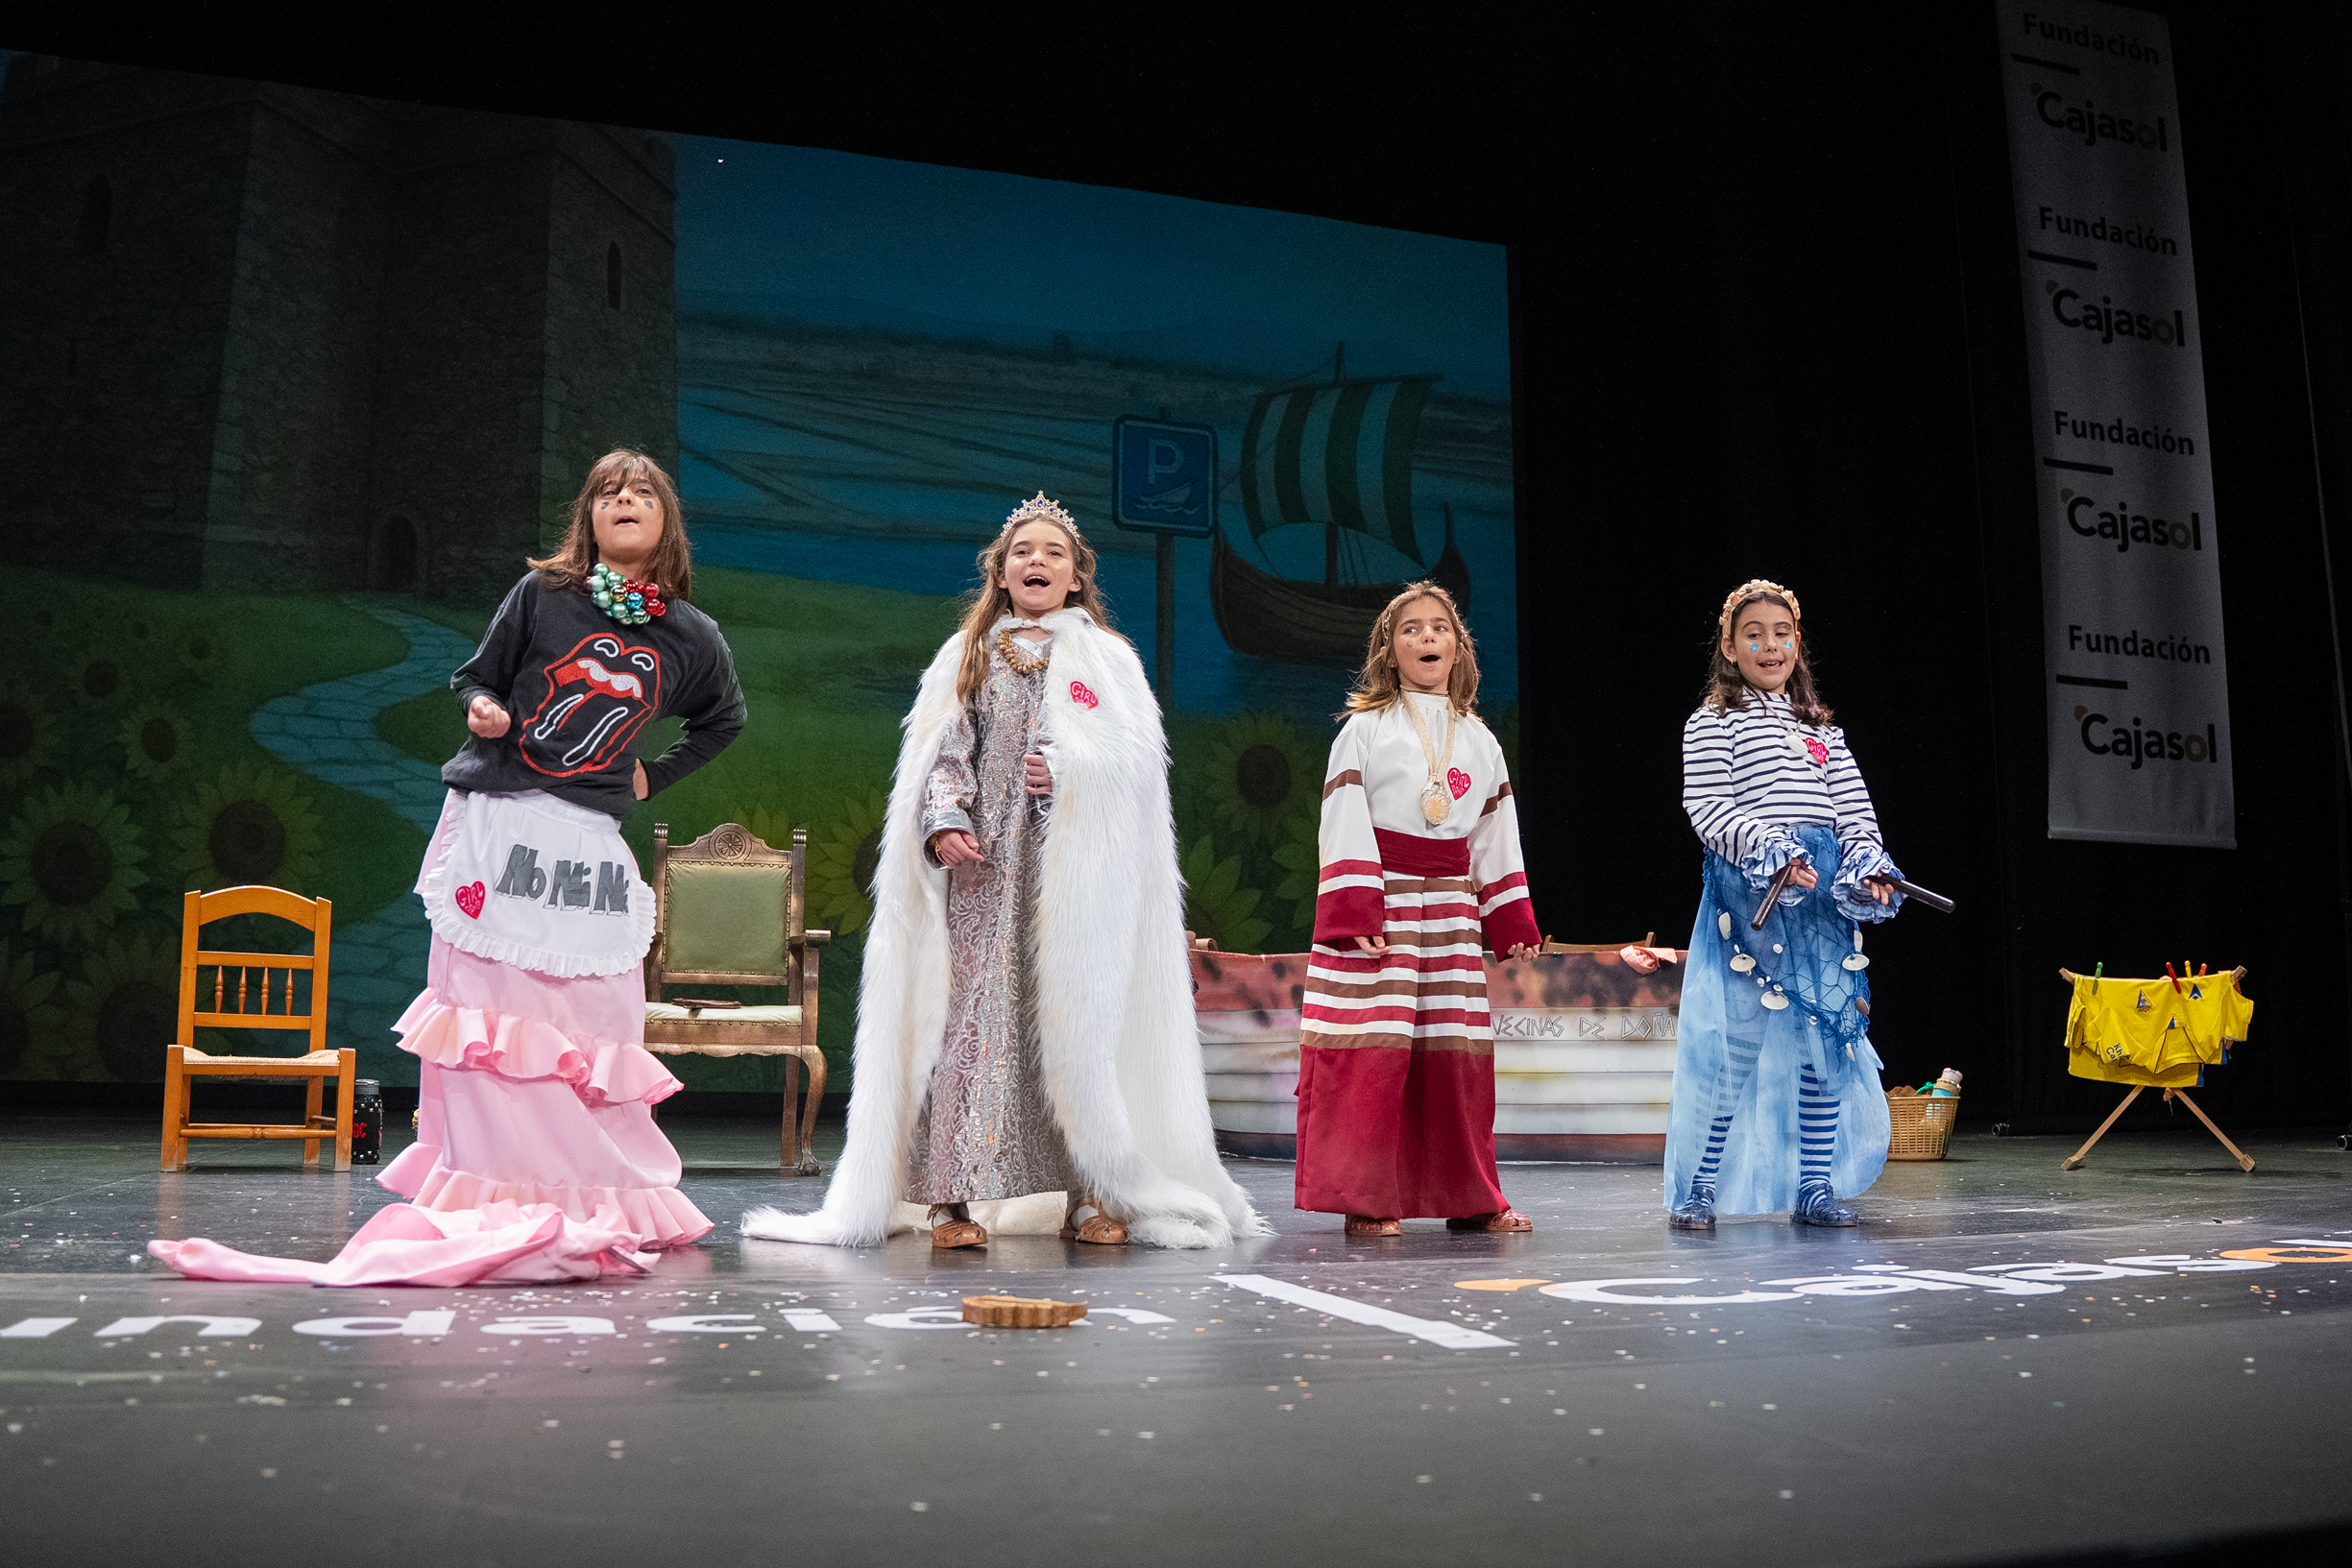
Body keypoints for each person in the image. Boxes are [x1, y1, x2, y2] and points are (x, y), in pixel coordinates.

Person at [152, 448, 745, 1286]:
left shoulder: (689, 634)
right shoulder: (542, 595)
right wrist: (483, 707)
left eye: (642, 492)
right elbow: (477, 673)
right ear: (588, 514)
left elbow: (722, 720)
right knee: (488, 1015)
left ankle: (591, 1179)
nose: (624, 501)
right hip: (502, 815)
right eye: (608, 491)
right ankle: (495, 1181)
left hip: (587, 842)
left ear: (666, 520)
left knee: (591, 1014)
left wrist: (653, 774)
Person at [741, 494, 1262, 1250]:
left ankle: (1090, 1193)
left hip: (1072, 882)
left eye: (1053, 552)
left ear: (1077, 576)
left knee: (1074, 1029)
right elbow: (943, 750)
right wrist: (946, 818)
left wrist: (1074, 771)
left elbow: (1140, 770)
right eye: (1023, 550)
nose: (1037, 561)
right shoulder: (969, 654)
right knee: (969, 1027)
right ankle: (951, 1203)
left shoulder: (1107, 663)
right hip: (984, 874)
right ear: (1000, 570)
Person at [1295, 583, 1540, 1237]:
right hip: (1383, 910)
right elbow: (1341, 820)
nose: (1427, 637)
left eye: (1440, 628)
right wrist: (1354, 913)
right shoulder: (1363, 731)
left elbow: (1494, 832)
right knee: (1372, 1054)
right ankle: (1367, 1197)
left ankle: (1470, 1195)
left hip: (1452, 918)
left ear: (1459, 648)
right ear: (1388, 648)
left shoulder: (1481, 741)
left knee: (1453, 1057)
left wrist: (1509, 917)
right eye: (1411, 629)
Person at [1656, 578, 1900, 1231]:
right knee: (1732, 1046)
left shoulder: (1821, 728)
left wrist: (1868, 867)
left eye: (1781, 633)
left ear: (1797, 643)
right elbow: (1706, 807)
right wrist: (1769, 848)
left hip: (1819, 901)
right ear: (1729, 647)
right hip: (1751, 894)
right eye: (1753, 634)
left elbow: (1855, 816)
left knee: (1828, 1041)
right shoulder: (1711, 721)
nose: (1770, 645)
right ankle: (1698, 1185)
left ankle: (1814, 1186)